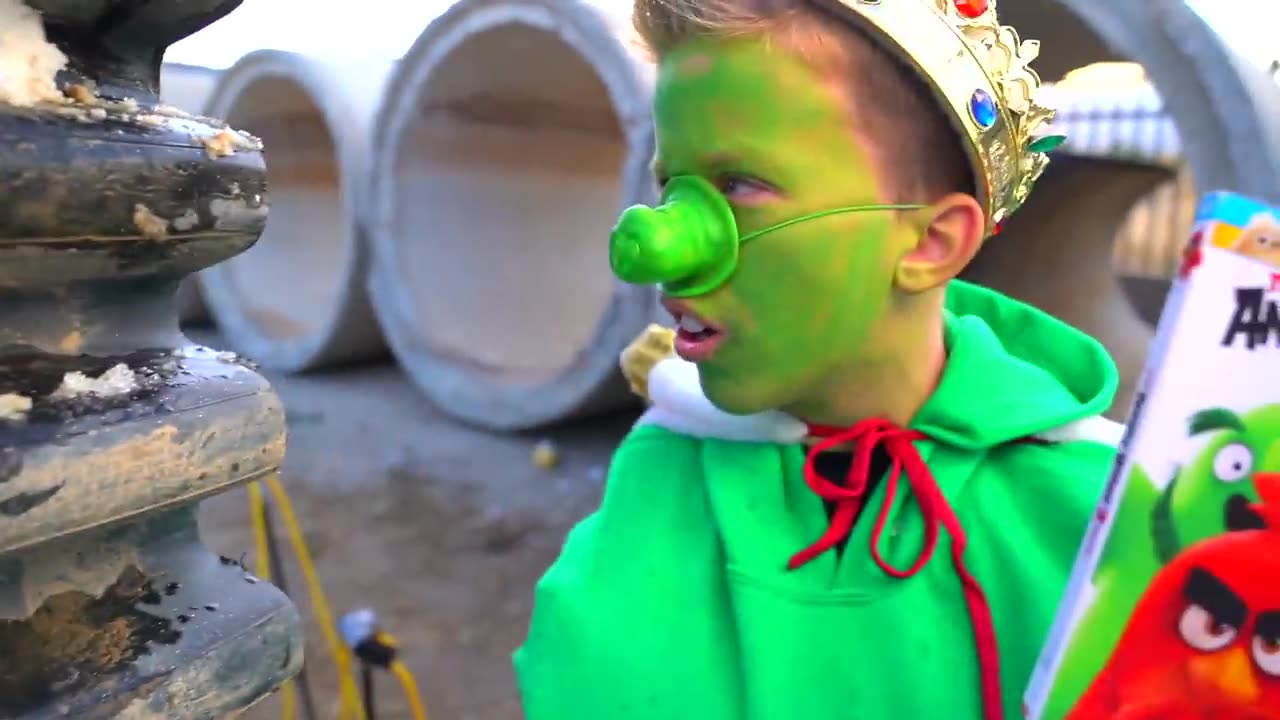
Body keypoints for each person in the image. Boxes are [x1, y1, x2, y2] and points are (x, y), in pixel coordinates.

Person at [515, 0, 1125, 718]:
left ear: (931, 243)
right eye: (670, 187)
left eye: (738, 185)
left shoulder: (1098, 520)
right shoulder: (660, 469)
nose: (657, 246)